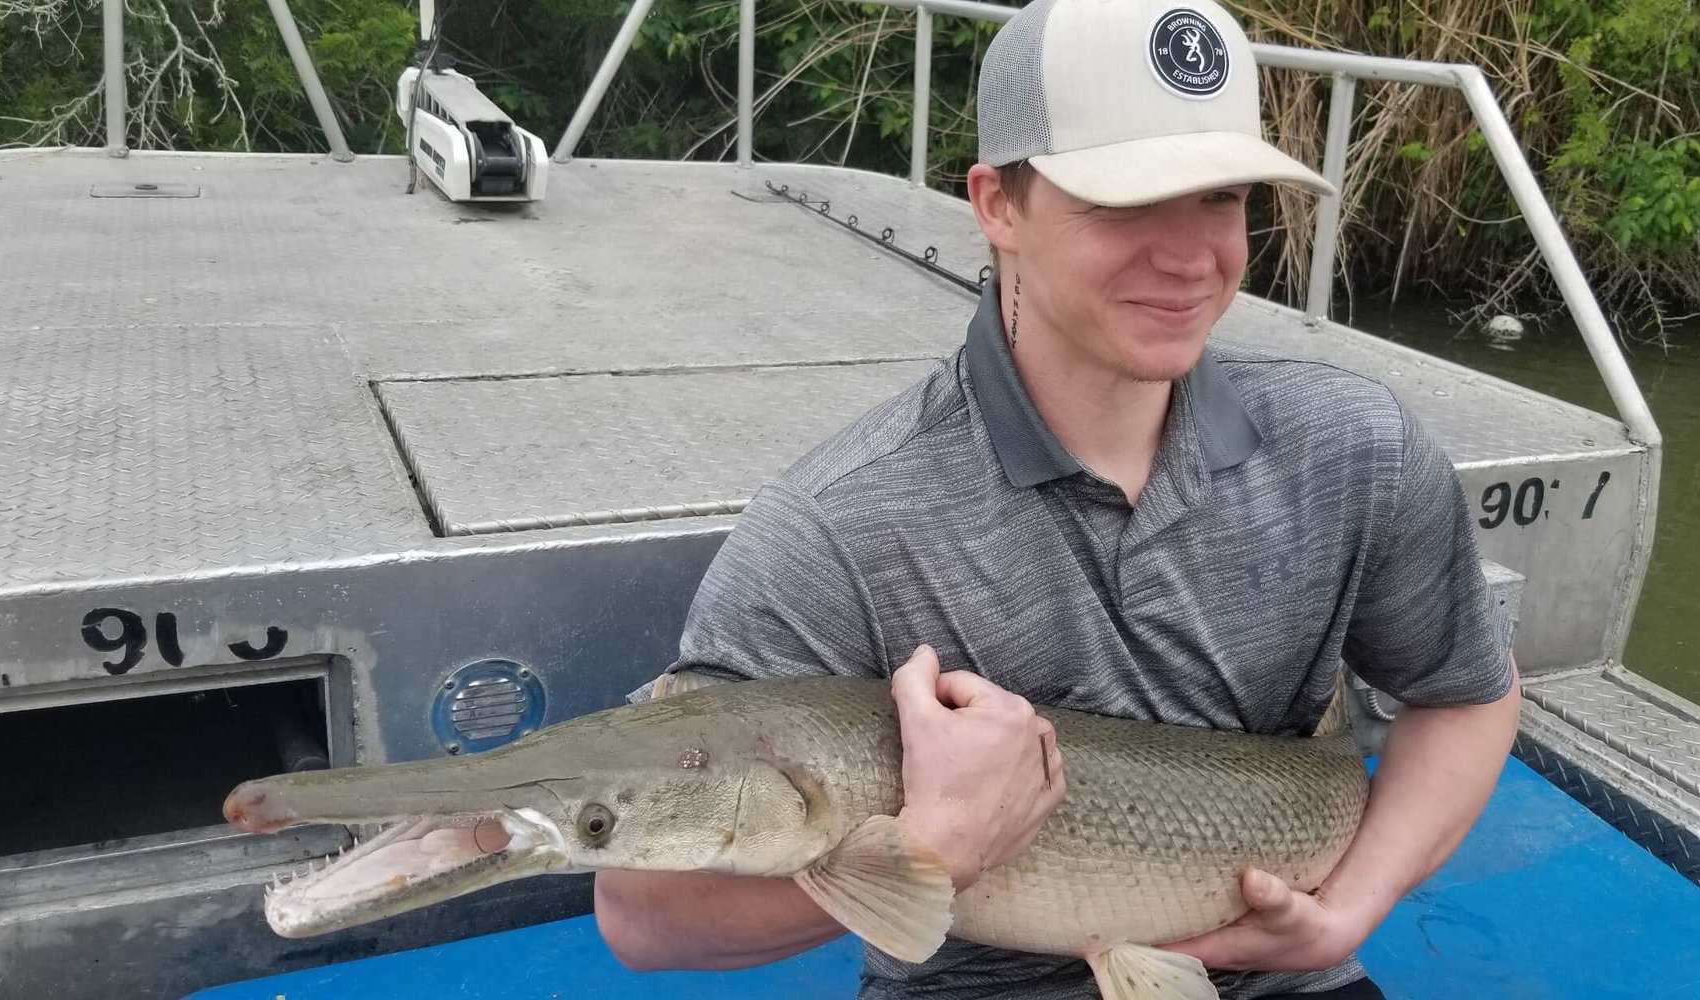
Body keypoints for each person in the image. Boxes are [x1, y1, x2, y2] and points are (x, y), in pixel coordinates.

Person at [591, 0, 1522, 995]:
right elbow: (648, 913)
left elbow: (1466, 693)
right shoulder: (837, 529)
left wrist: (1349, 906)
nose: (1189, 256)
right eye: (1125, 203)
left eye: (1221, 197)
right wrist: (938, 848)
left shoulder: (1355, 451)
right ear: (996, 206)